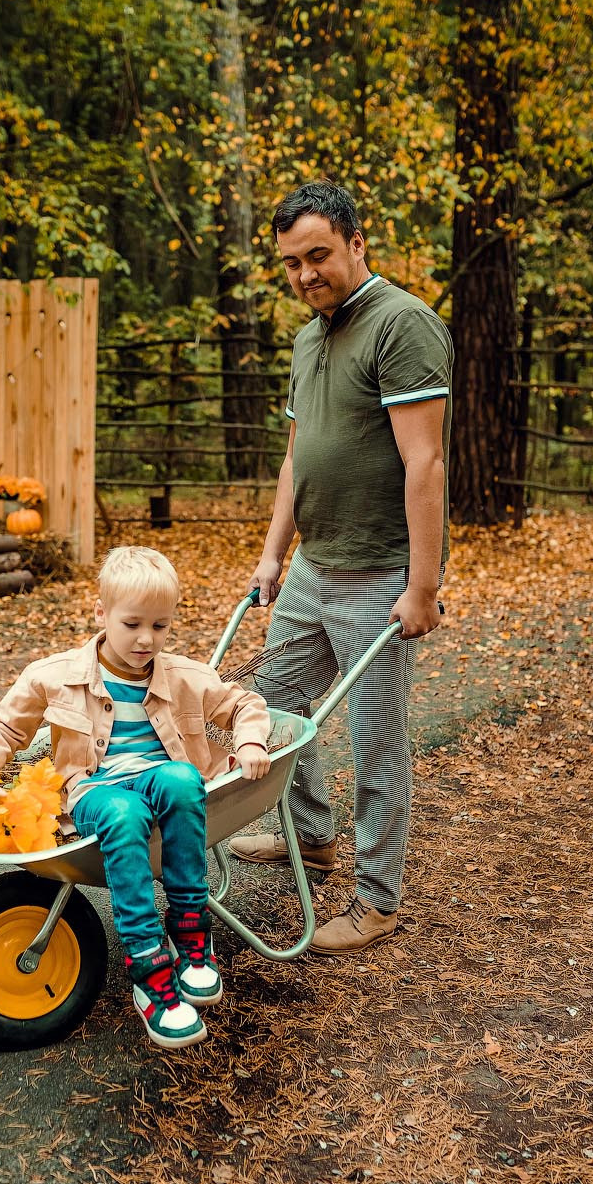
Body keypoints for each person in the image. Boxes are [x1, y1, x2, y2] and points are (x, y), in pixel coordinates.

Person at [229, 179, 453, 957]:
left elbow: (424, 465)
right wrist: (271, 553)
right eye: (291, 263)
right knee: (269, 699)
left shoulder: (402, 326)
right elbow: (299, 455)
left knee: (375, 738)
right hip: (313, 567)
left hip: (379, 571)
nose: (304, 275)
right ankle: (315, 835)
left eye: (318, 255)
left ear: (358, 242)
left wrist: (422, 586)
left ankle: (377, 900)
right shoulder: (309, 336)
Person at [0, 545, 271, 1049]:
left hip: (165, 787)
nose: (146, 639)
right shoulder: (56, 675)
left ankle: (191, 933)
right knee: (122, 810)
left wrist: (252, 740)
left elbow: (244, 703)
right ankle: (148, 968)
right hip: (95, 793)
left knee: (180, 778)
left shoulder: (182, 675)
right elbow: (3, 725)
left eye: (161, 626)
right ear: (101, 613)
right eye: (132, 624)